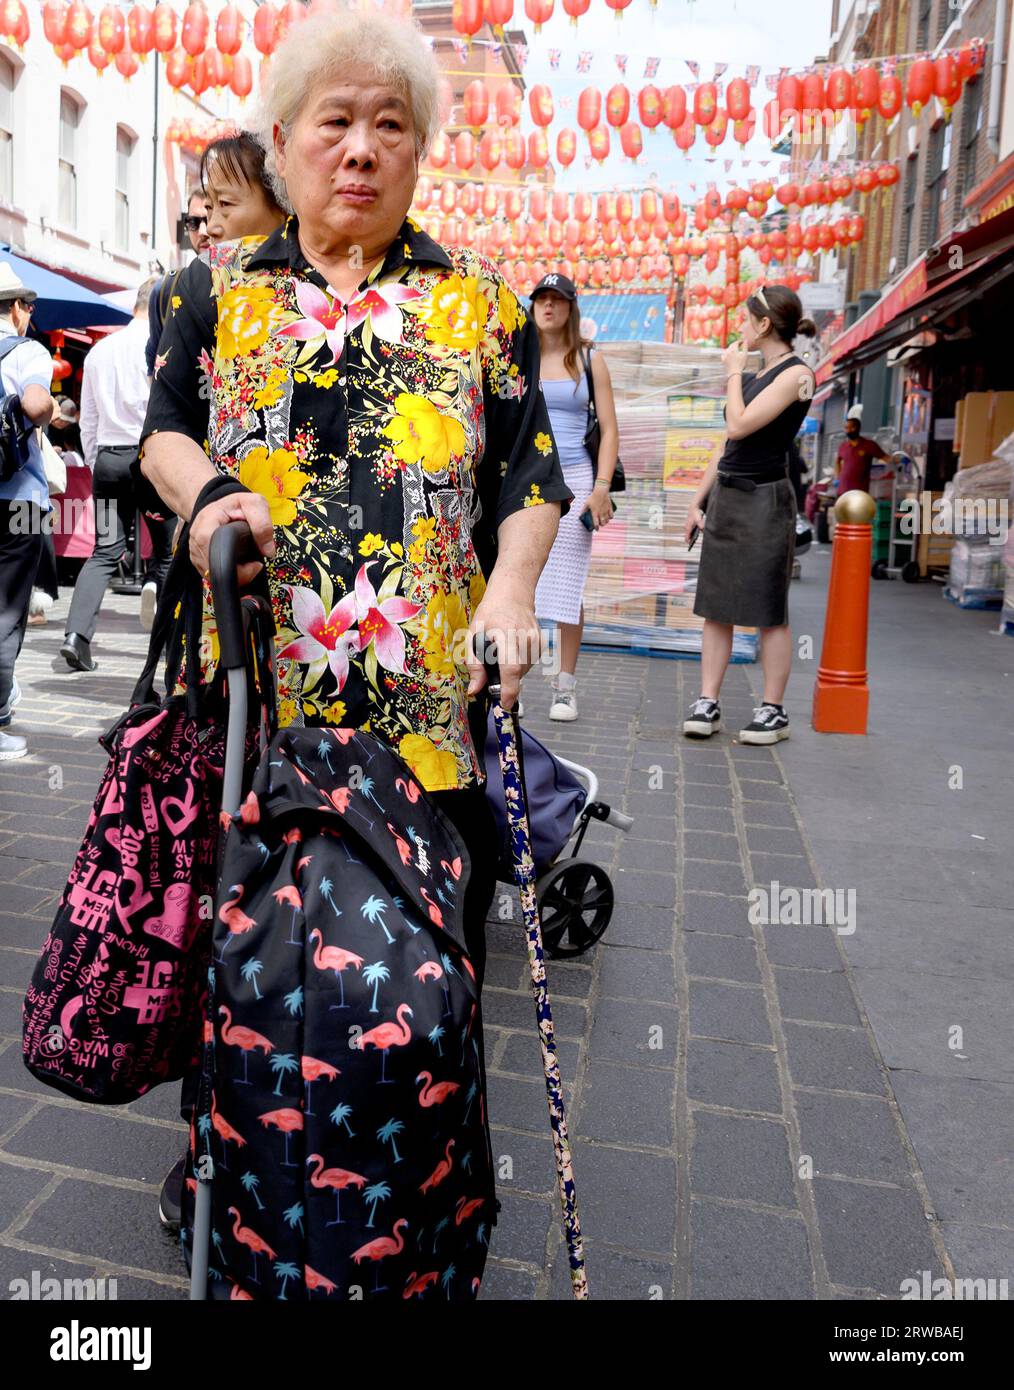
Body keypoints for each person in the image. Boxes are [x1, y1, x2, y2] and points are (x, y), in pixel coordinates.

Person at [137, 7, 570, 1227]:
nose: (363, 148)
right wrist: (207, 488)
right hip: (253, 722)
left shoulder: (478, 308)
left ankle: (412, 1203)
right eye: (338, 121)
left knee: (422, 989)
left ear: (421, 151)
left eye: (393, 124)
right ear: (285, 140)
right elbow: (159, 434)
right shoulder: (210, 296)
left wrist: (513, 583)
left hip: (424, 731)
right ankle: (229, 1172)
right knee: (242, 968)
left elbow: (532, 478)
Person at [683, 285, 816, 745]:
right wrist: (698, 499)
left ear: (764, 324)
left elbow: (740, 423)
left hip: (766, 499)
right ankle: (708, 701)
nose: (739, 327)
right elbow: (729, 442)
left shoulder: (797, 375)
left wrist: (734, 374)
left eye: (746, 319)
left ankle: (773, 710)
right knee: (715, 606)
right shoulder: (763, 374)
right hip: (729, 494)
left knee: (767, 609)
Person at [61, 278, 171, 666]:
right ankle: (165, 630)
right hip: (150, 459)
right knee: (167, 550)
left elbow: (86, 420)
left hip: (108, 458)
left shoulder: (98, 352)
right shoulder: (160, 346)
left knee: (105, 550)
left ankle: (76, 635)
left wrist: (96, 462)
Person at [530, 273, 618, 721]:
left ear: (570, 307)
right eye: (541, 299)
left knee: (566, 584)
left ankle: (564, 686)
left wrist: (601, 488)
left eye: (557, 300)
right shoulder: (517, 356)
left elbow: (609, 430)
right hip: (528, 481)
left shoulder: (588, 359)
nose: (548, 307)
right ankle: (513, 681)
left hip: (577, 479)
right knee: (520, 580)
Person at [0, 263, 55, 760]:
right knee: (6, 613)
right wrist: (48, 411)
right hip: (18, 502)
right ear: (16, 309)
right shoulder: (26, 350)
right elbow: (38, 405)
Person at [145, 189, 211, 379]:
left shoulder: (249, 285)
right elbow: (154, 366)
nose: (203, 231)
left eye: (208, 218)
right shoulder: (166, 289)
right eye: (193, 222)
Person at [201, 131, 287, 244]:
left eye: (225, 203)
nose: (210, 228)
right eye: (208, 207)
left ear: (282, 208)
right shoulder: (204, 261)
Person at [834, 403, 887, 495]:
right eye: (847, 428)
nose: (849, 430)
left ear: (858, 428)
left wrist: (896, 461)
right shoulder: (843, 446)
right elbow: (837, 461)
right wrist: (838, 477)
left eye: (852, 427)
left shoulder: (869, 445)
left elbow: (885, 458)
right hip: (843, 490)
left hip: (860, 492)